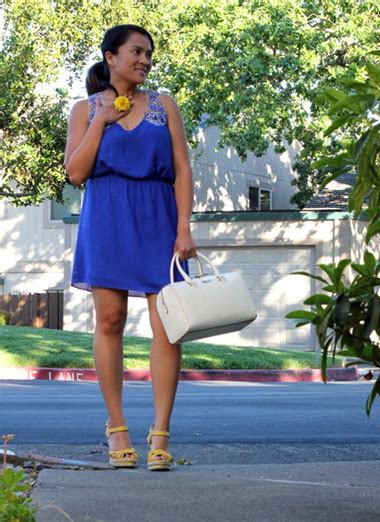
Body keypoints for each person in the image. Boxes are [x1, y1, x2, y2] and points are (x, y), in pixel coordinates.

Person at [64, 24, 196, 471]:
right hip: (106, 218)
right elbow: (76, 173)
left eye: (148, 54)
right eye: (136, 52)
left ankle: (161, 432)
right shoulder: (84, 109)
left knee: (168, 325)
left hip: (158, 218)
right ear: (111, 57)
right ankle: (116, 427)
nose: (144, 60)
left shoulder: (165, 106)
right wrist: (102, 120)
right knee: (111, 319)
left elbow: (181, 169)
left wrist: (184, 229)